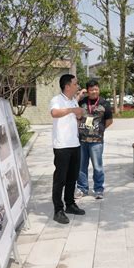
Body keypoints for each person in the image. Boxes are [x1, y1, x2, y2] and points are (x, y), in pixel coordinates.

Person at [50, 74, 86, 224]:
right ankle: (58, 210)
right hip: (62, 146)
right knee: (60, 179)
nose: (77, 86)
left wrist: (79, 113)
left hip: (75, 144)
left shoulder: (72, 100)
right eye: (75, 84)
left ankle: (70, 204)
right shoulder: (56, 100)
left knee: (72, 177)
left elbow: (77, 116)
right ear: (67, 86)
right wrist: (73, 110)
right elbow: (54, 113)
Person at [75, 79, 113, 199]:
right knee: (81, 166)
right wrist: (79, 95)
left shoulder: (104, 103)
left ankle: (98, 189)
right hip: (82, 141)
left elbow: (109, 121)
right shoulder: (82, 102)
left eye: (96, 89)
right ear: (88, 90)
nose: (94, 91)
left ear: (99, 89)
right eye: (91, 90)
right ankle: (82, 188)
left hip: (97, 142)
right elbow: (73, 109)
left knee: (98, 166)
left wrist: (99, 130)